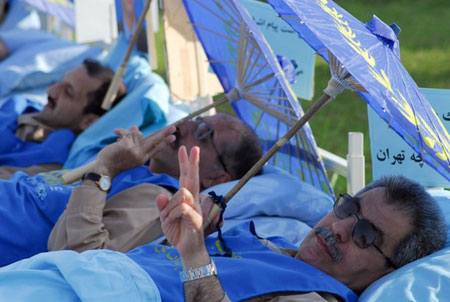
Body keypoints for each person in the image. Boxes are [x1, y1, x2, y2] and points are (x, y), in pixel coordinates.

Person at [0, 145, 445, 302]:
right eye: (348, 208)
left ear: (388, 271)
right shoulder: (267, 238)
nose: (342, 228)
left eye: (366, 236)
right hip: (74, 275)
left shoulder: (315, 297)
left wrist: (194, 252)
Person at [0, 113, 263, 266]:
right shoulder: (135, 166)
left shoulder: (159, 198)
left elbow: (78, 260)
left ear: (216, 177)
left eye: (204, 132)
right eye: (197, 118)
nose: (186, 125)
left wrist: (104, 170)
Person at [0, 58, 127, 175]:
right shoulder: (21, 106)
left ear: (88, 121)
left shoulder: (49, 157)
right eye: (60, 82)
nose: (50, 90)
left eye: (68, 92)